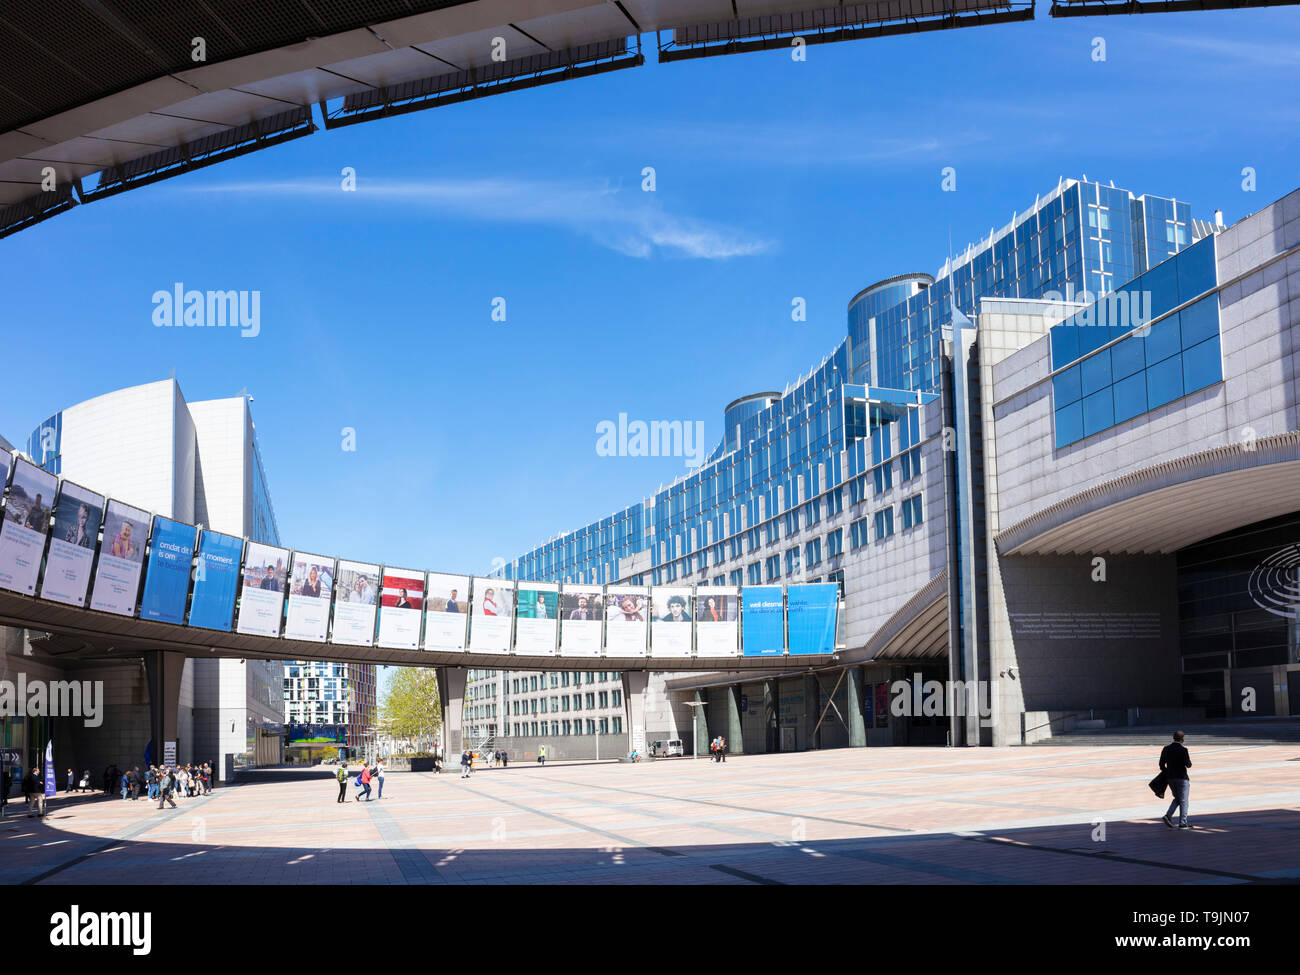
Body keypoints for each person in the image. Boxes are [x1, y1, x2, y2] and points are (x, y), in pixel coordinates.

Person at [1160, 731, 1192, 829]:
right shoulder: (1183, 750)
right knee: (1184, 801)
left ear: (1173, 738)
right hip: (1182, 778)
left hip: (1170, 778)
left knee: (1178, 799)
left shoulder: (1166, 749)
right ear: (1182, 739)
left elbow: (1161, 764)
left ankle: (1168, 816)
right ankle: (1183, 823)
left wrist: (1168, 771)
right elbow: (1188, 765)